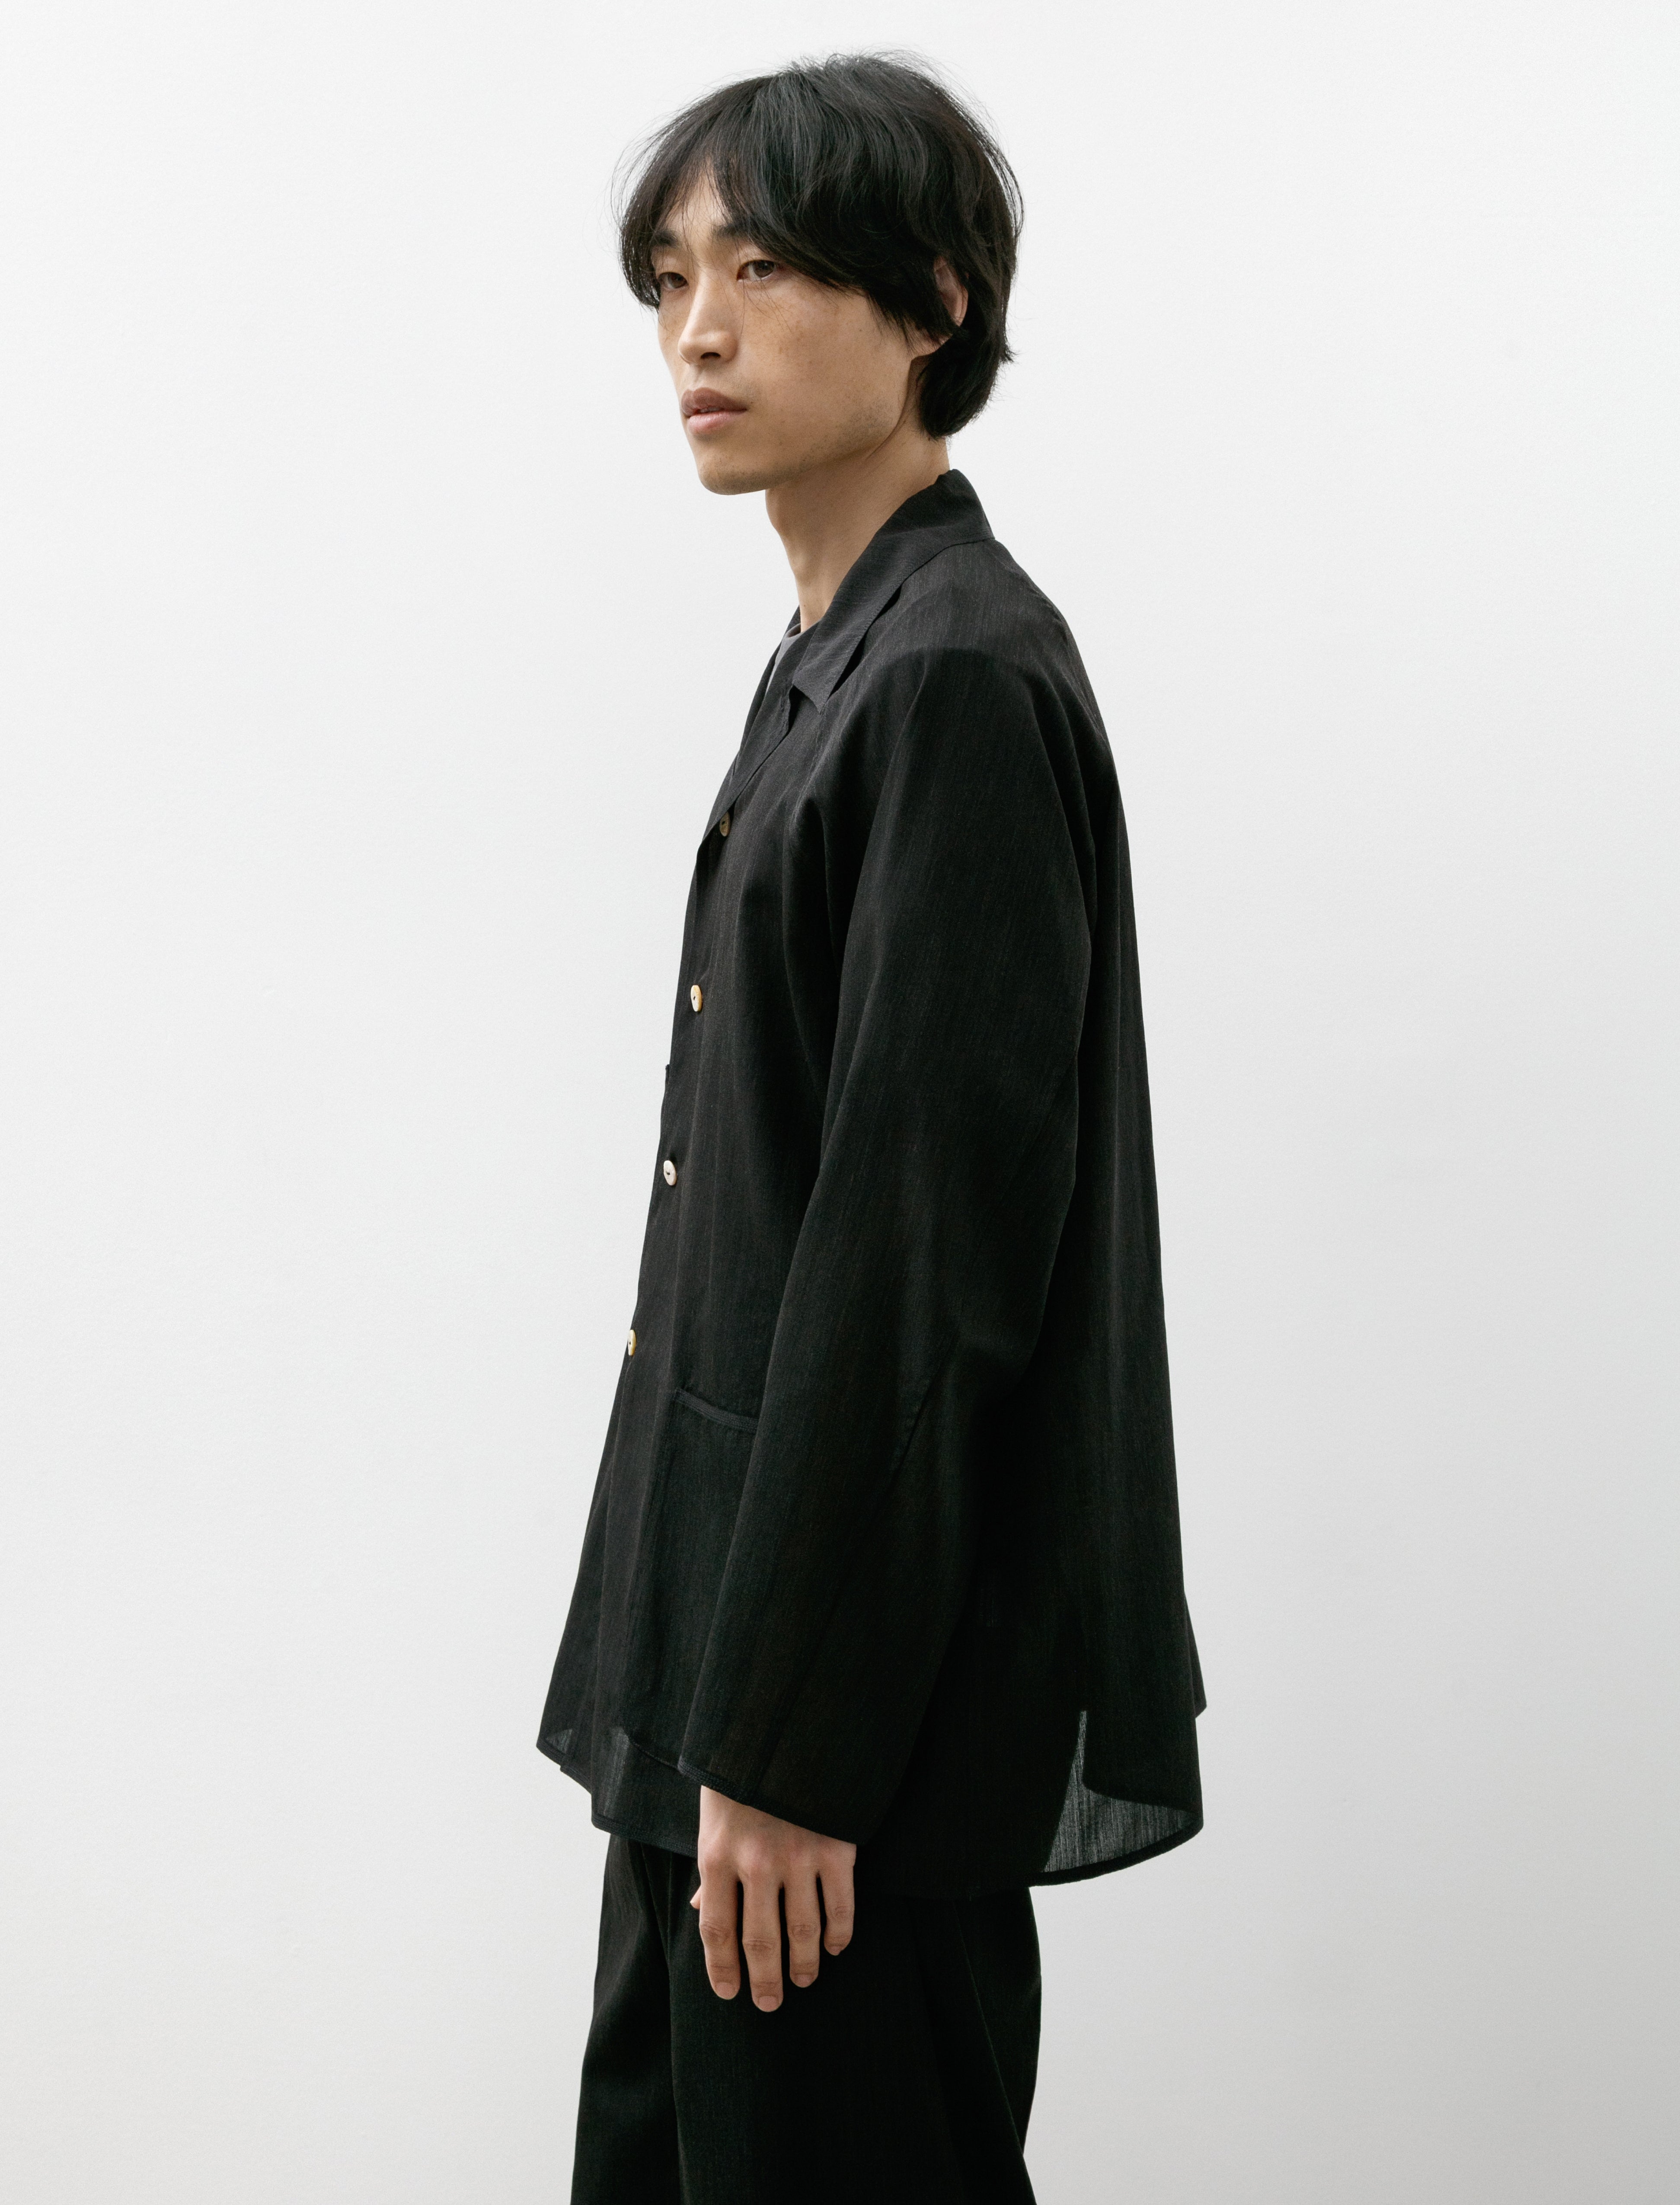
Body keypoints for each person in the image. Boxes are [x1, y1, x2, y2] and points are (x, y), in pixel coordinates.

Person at [538, 53, 1205, 2204]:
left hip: (829, 1750)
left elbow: (923, 1274)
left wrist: (793, 1751)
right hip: (723, 1691)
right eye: (669, 281)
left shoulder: (950, 683)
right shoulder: (837, 656)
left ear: (933, 300)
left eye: (761, 268)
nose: (698, 332)